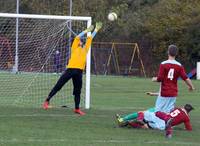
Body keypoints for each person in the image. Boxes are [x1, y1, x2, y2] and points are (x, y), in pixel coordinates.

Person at [43, 22, 103, 115]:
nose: (79, 41)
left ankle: (77, 109)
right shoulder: (74, 47)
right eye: (79, 41)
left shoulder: (85, 49)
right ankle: (47, 101)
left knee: (77, 91)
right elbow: (77, 37)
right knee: (59, 85)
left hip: (79, 72)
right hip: (70, 70)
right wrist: (86, 31)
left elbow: (90, 39)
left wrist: (96, 30)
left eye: (80, 42)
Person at [152, 44, 195, 113]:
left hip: (164, 92)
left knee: (158, 111)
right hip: (173, 93)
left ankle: (159, 123)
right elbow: (186, 78)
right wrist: (191, 87)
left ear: (168, 52)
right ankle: (167, 123)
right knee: (168, 112)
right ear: (176, 54)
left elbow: (159, 79)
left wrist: (154, 79)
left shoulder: (163, 64)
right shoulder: (179, 65)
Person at [116, 104, 194, 138]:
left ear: (183, 107)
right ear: (189, 111)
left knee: (141, 113)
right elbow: (189, 129)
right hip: (164, 125)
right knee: (146, 126)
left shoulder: (177, 108)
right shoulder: (186, 118)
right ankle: (132, 124)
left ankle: (136, 120)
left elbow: (169, 110)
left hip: (162, 117)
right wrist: (181, 128)